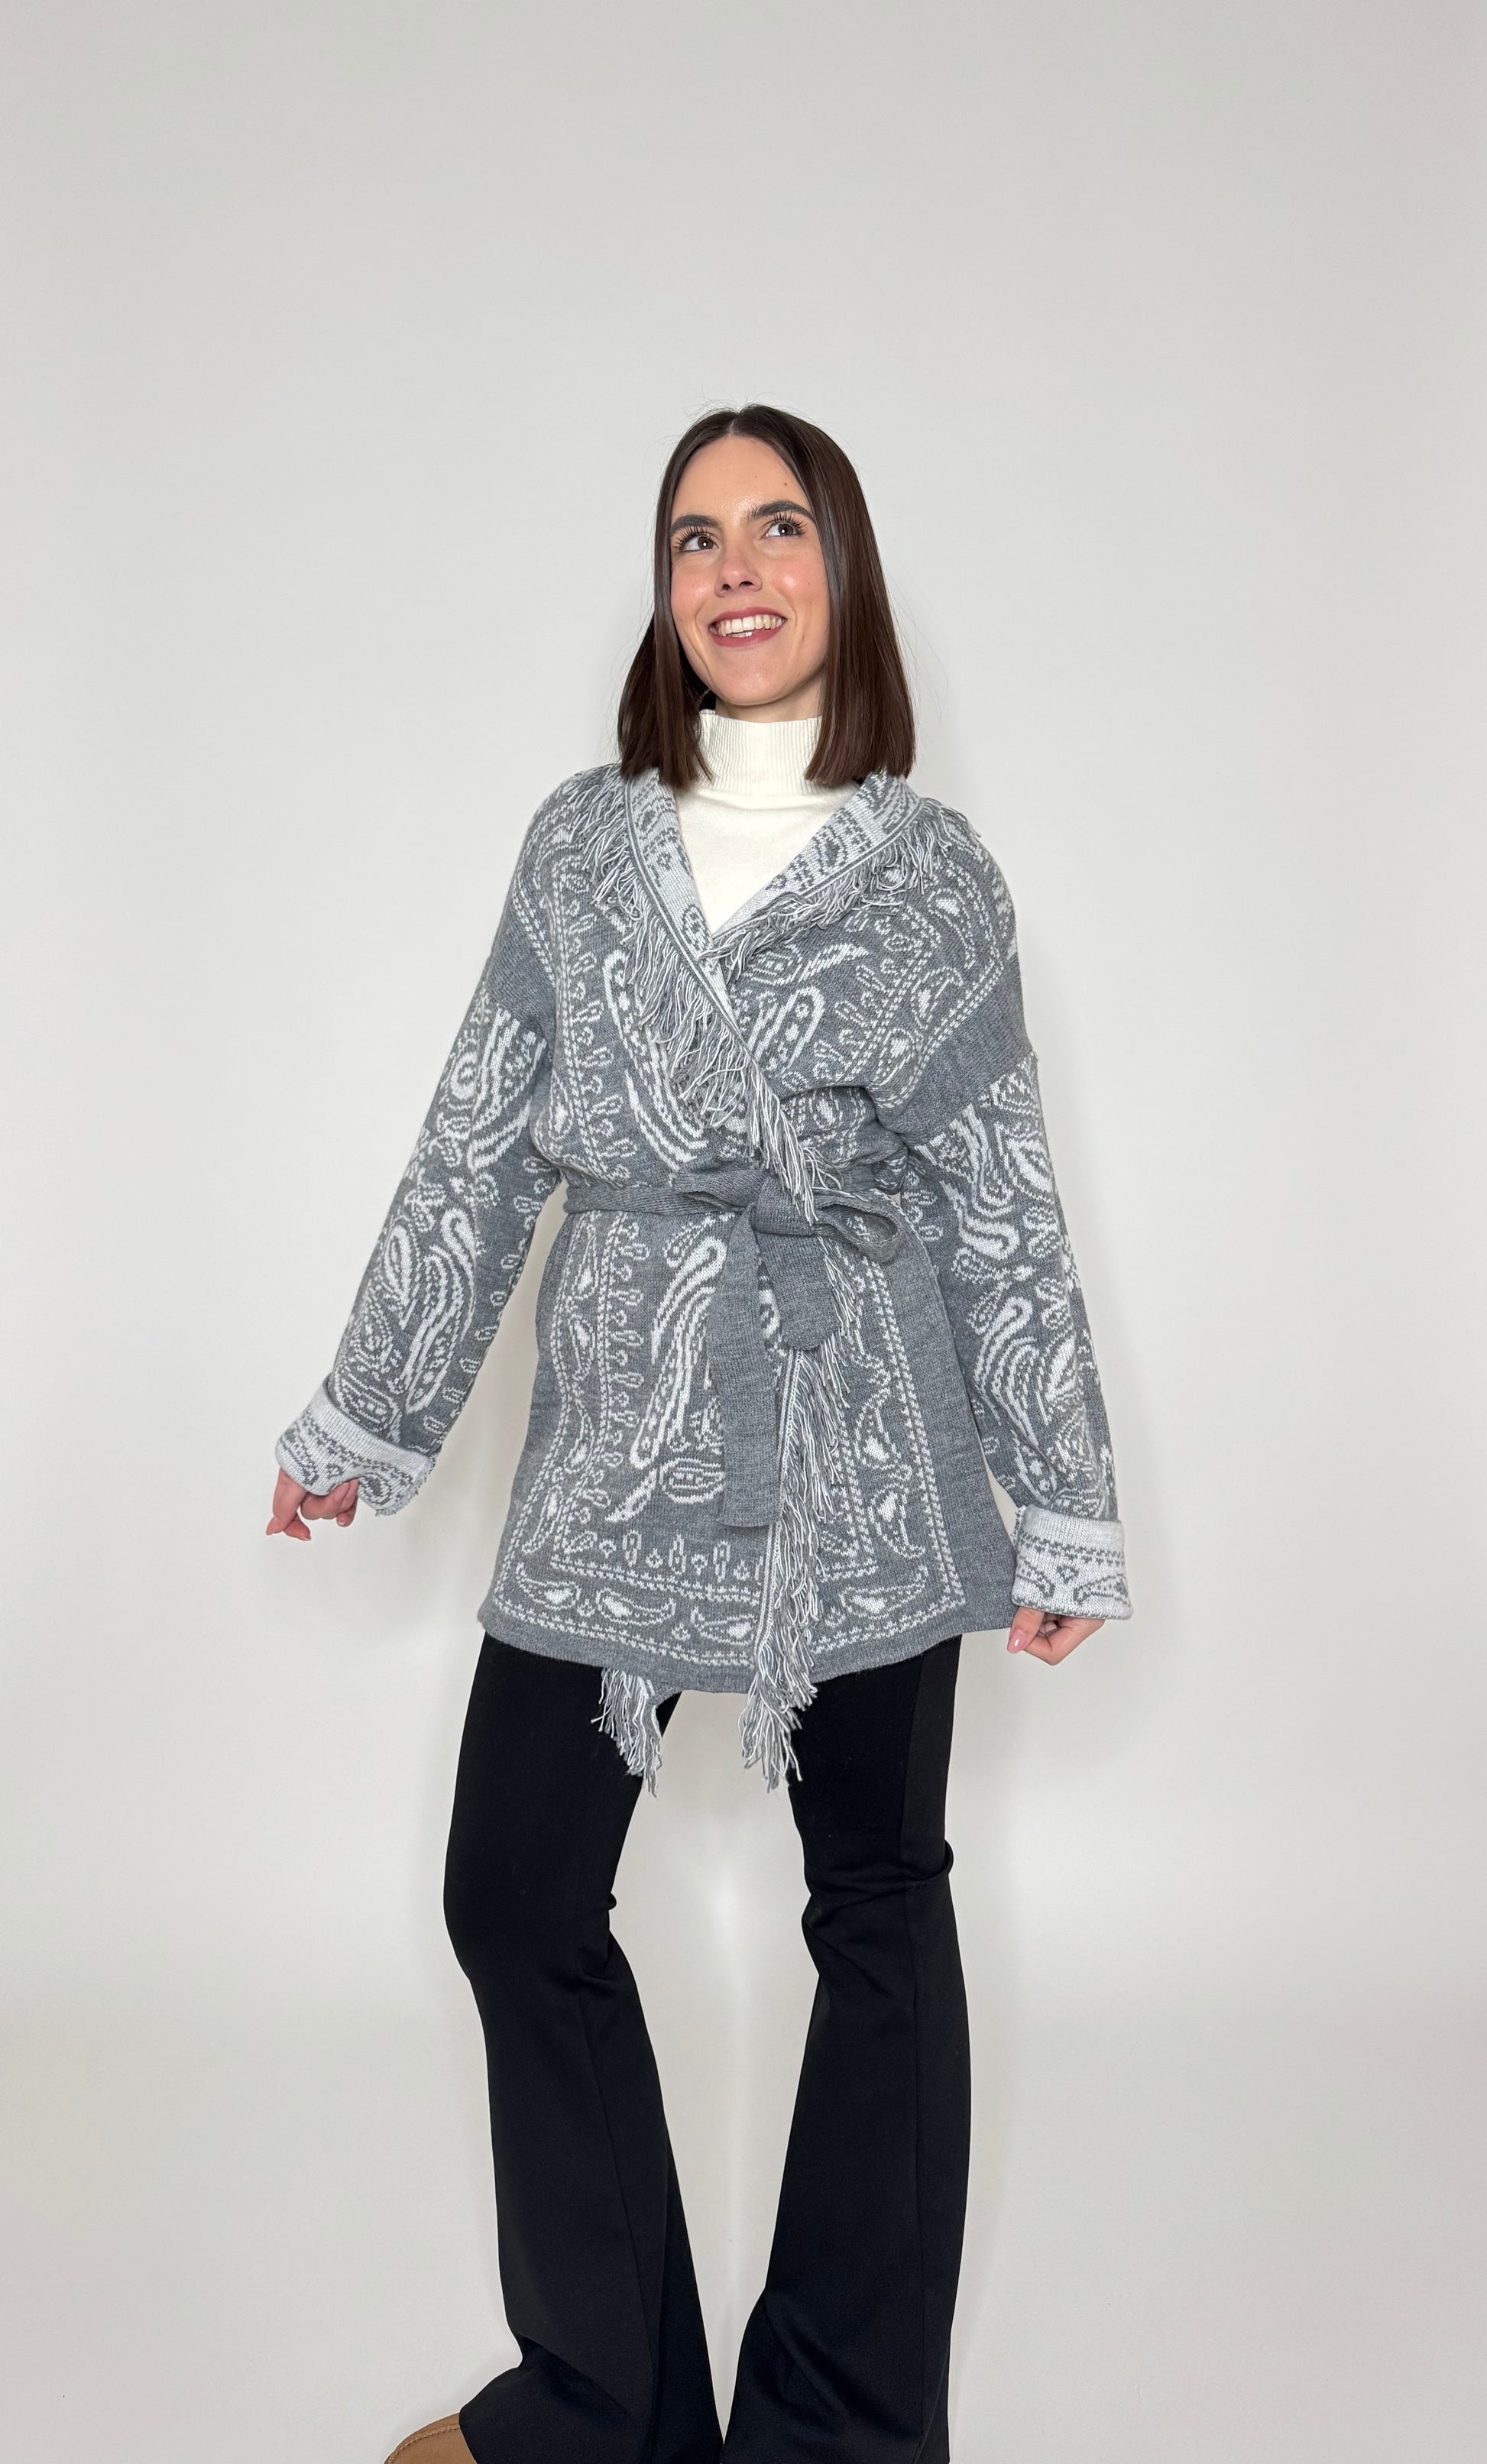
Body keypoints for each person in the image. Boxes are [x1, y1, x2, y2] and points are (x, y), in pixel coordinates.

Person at [267, 404, 1131, 2464]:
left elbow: (1003, 1201)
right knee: (515, 1892)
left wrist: (1063, 1494)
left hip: (866, 1440)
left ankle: (841, 2427)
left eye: (778, 526)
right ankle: (605, 2404)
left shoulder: (932, 878)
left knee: (876, 1907)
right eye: (693, 537)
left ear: (842, 570)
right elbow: (480, 1139)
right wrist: (374, 1400)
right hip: (616, 1432)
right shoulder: (581, 847)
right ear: (664, 594)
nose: (735, 567)